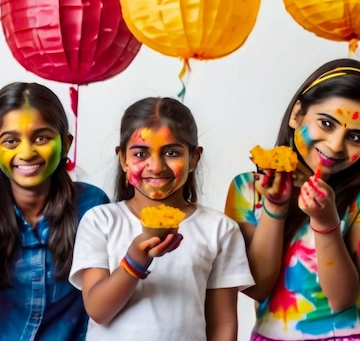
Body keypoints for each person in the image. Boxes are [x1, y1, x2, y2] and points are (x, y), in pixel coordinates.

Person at [224, 58, 360, 340]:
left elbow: (342, 298)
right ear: (297, 114)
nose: (336, 145)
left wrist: (325, 223)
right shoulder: (247, 190)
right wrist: (274, 209)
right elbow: (256, 288)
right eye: (326, 123)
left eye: (356, 137)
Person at [0, 82, 110, 341]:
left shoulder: (91, 203)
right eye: (11, 141)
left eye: (41, 138)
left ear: (66, 143)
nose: (26, 153)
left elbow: (105, 292)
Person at [69, 97, 254, 341]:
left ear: (193, 159)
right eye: (141, 153)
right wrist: (134, 262)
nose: (156, 166)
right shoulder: (100, 221)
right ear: (123, 159)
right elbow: (98, 310)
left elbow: (223, 322)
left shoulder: (219, 229)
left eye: (171, 152)